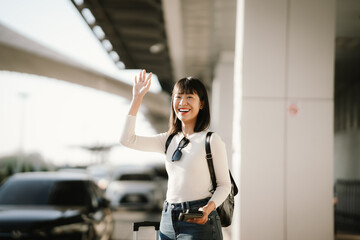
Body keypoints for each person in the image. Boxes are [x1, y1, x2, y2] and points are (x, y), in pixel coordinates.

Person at [120, 69, 231, 240]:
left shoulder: (211, 140)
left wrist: (207, 209)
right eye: (178, 97)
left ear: (201, 104)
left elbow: (224, 185)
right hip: (168, 218)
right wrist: (137, 98)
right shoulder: (168, 140)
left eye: (189, 97)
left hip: (199, 219)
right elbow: (127, 139)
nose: (182, 102)